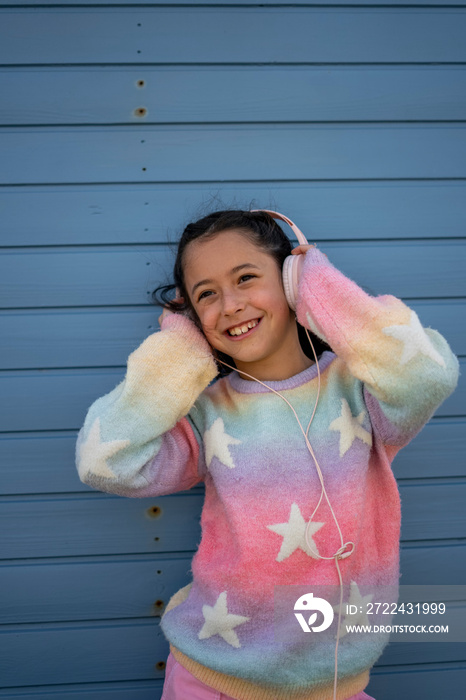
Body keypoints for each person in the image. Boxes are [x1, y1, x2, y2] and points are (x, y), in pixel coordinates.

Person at [75, 209, 458, 700]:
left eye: (246, 278)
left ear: (292, 282)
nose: (230, 304)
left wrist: (320, 289)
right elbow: (104, 462)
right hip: (211, 678)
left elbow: (430, 375)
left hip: (334, 682)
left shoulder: (362, 392)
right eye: (206, 295)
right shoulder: (207, 415)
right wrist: (180, 351)